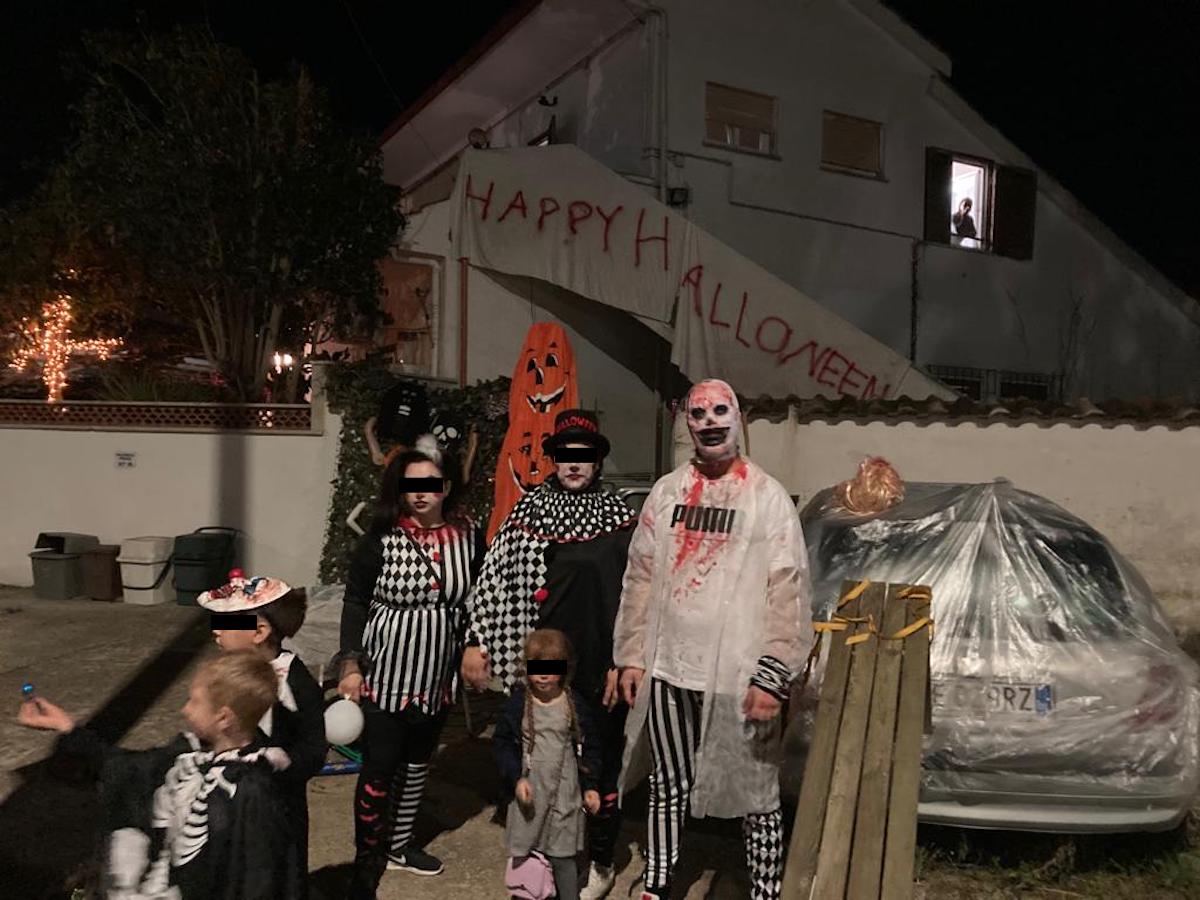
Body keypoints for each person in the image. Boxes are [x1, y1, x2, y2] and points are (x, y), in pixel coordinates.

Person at [614, 379, 812, 900]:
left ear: (737, 418)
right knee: (667, 781)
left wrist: (773, 675)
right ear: (687, 424)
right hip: (669, 668)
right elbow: (640, 576)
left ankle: (765, 889)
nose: (710, 422)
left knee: (755, 790)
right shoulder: (667, 493)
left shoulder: (766, 496)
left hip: (738, 676)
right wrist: (631, 656)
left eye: (720, 411)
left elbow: (788, 590)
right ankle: (659, 879)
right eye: (698, 414)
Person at [463, 408, 636, 899]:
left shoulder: (621, 518)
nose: (574, 464)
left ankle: (600, 858)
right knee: (540, 758)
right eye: (565, 455)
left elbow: (638, 594)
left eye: (584, 456)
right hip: (545, 662)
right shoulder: (528, 512)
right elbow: (492, 581)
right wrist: (477, 640)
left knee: (598, 763)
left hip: (601, 662)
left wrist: (625, 659)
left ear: (597, 461)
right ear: (554, 459)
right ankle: (543, 856)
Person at [336, 436, 485, 898]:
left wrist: (475, 645)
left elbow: (480, 598)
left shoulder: (469, 537)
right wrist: (350, 664)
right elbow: (355, 601)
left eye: (430, 484)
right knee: (379, 768)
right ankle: (367, 859)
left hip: (437, 675)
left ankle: (399, 845)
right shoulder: (381, 538)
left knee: (419, 762)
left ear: (447, 487)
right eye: (411, 485)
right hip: (385, 674)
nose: (420, 493)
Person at [16, 652, 290, 899]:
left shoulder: (251, 792)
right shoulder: (188, 756)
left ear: (223, 718)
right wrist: (67, 727)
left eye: (195, 701)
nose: (185, 709)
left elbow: (258, 877)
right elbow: (129, 767)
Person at [199, 573, 326, 900]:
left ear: (259, 632)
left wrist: (282, 763)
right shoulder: (227, 674)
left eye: (225, 623)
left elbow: (314, 747)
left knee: (281, 872)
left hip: (280, 806)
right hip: (229, 801)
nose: (215, 631)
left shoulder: (295, 682)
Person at [493, 629, 603, 900]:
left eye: (551, 668)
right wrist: (515, 778)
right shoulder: (519, 704)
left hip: (565, 795)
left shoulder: (574, 705)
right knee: (526, 856)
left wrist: (590, 786)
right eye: (537, 667)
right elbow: (503, 743)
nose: (543, 676)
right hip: (530, 795)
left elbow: (590, 747)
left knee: (563, 859)